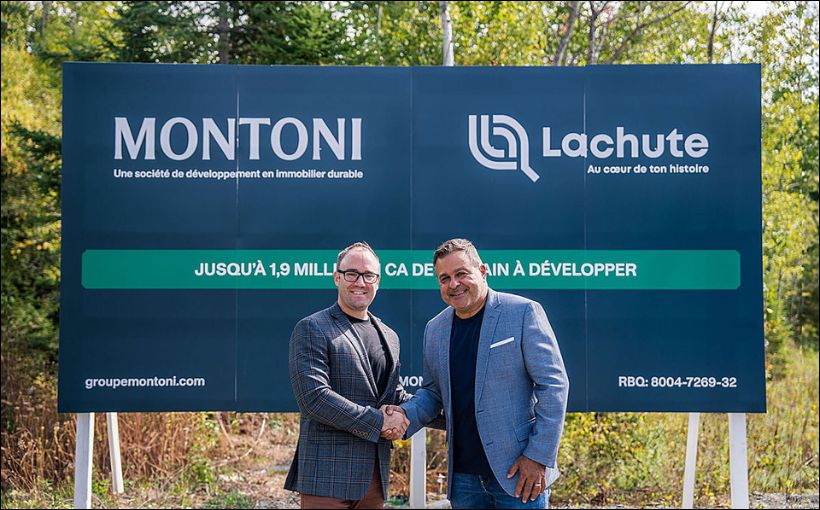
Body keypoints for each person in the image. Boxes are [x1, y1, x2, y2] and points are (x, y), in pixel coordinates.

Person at [389, 238, 569, 509]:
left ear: (482, 272)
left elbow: (554, 385)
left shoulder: (522, 312)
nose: (453, 284)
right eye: (444, 278)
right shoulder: (435, 329)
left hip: (520, 474)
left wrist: (539, 456)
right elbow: (433, 392)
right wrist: (404, 416)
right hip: (463, 479)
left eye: (461, 273)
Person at [285, 242, 411, 509]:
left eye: (369, 275)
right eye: (352, 273)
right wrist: (379, 422)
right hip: (327, 478)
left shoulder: (389, 336)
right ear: (337, 277)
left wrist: (448, 411)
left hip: (375, 479)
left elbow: (395, 396)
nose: (360, 282)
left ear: (378, 281)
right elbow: (315, 399)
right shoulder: (312, 327)